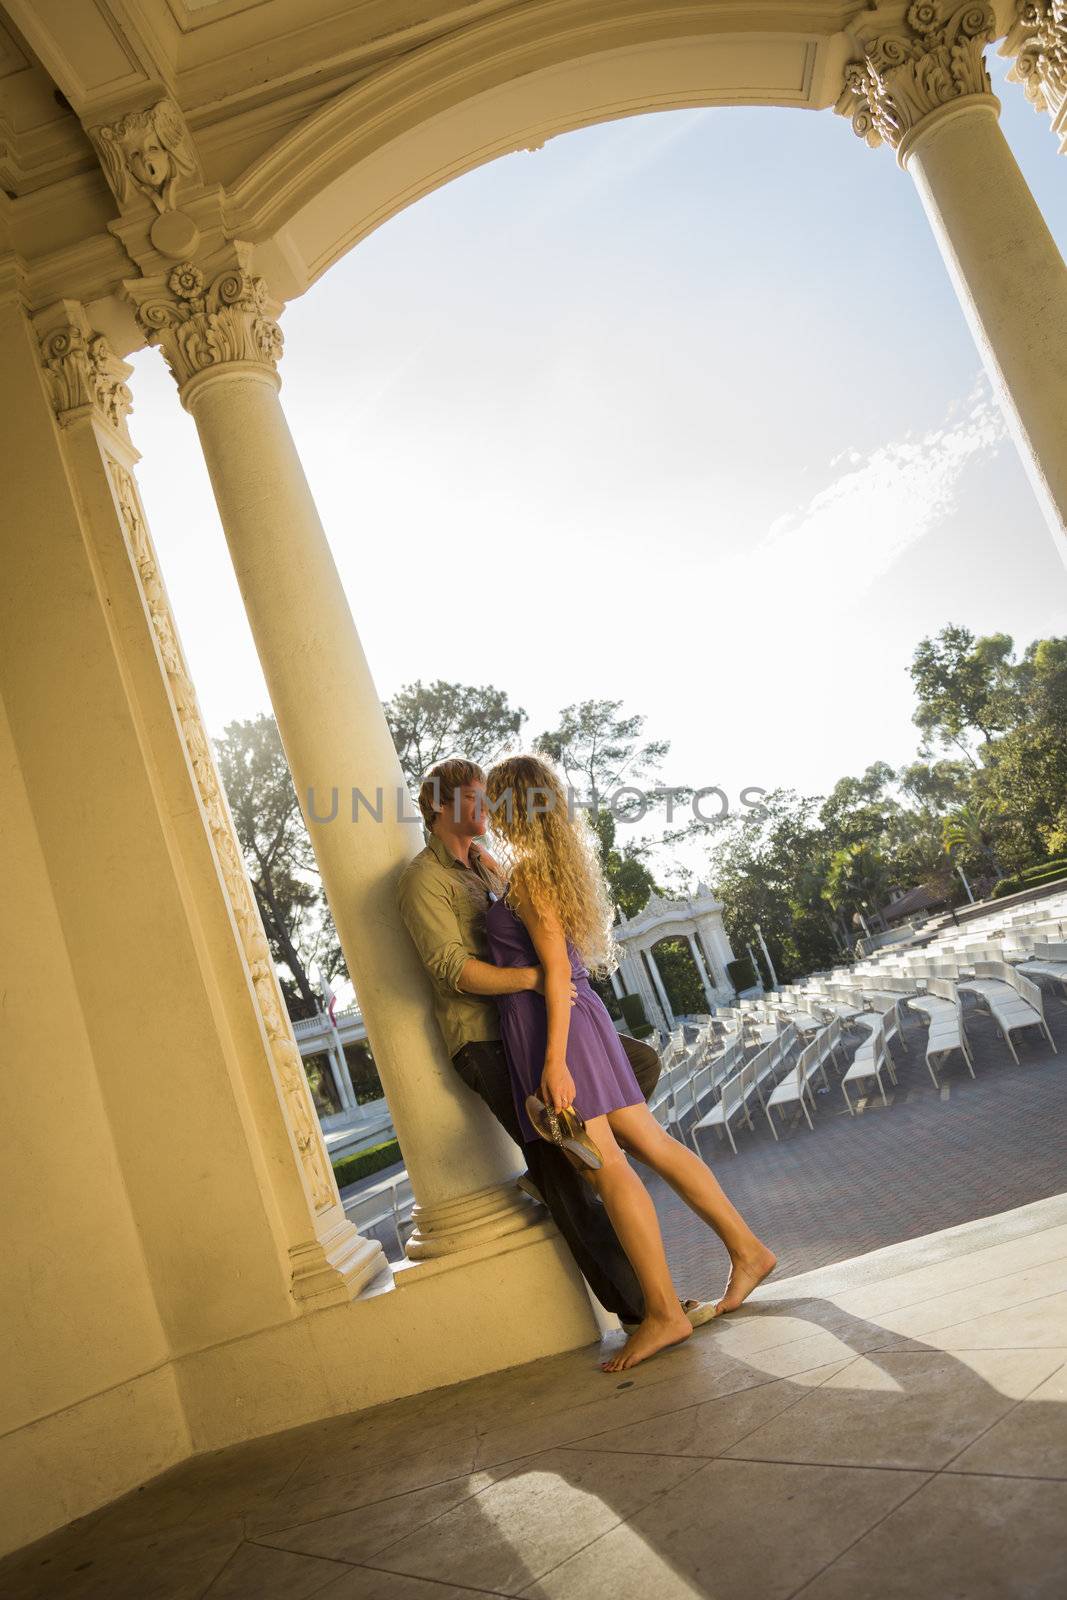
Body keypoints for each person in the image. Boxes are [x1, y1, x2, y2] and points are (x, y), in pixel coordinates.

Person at [396, 755, 716, 1335]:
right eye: (474, 797)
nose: (487, 807)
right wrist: (545, 979)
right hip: (489, 1041)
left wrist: (551, 988)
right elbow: (454, 969)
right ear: (441, 806)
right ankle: (646, 1311)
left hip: (537, 1028)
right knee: (570, 1178)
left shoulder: (490, 868)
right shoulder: (426, 879)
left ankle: (569, 1164)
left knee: (635, 1066)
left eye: (489, 796)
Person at [483, 751, 777, 1372]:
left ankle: (666, 1314)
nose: (484, 810)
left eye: (492, 799)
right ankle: (747, 1250)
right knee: (652, 1144)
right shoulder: (538, 870)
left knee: (609, 1168)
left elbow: (555, 971)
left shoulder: (531, 878)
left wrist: (554, 1061)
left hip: (557, 1029)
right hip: (582, 1020)